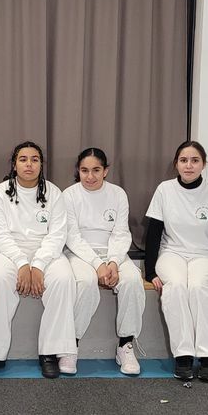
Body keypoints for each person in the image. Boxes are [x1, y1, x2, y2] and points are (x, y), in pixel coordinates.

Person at [0, 141, 77, 379]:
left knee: (64, 279)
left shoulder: (54, 193)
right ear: (14, 165)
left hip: (47, 251)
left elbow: (57, 235)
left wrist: (38, 265)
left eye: (35, 159)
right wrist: (23, 264)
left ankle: (50, 352)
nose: (29, 164)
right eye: (23, 159)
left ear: (41, 164)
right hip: (9, 252)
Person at [144, 141, 208, 382]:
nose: (189, 165)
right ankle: (183, 355)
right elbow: (154, 232)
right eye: (184, 160)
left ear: (203, 164)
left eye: (195, 160)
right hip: (171, 253)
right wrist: (150, 271)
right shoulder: (165, 190)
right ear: (176, 164)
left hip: (205, 256)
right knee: (175, 288)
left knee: (198, 288)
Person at [63, 147, 145, 376]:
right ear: (78, 171)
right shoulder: (69, 195)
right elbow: (72, 237)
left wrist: (113, 262)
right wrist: (97, 264)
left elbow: (121, 233)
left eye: (96, 170)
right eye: (84, 170)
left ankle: (125, 345)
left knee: (132, 281)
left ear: (105, 171)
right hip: (79, 254)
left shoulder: (118, 194)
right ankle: (71, 345)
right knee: (85, 282)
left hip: (113, 254)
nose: (90, 176)